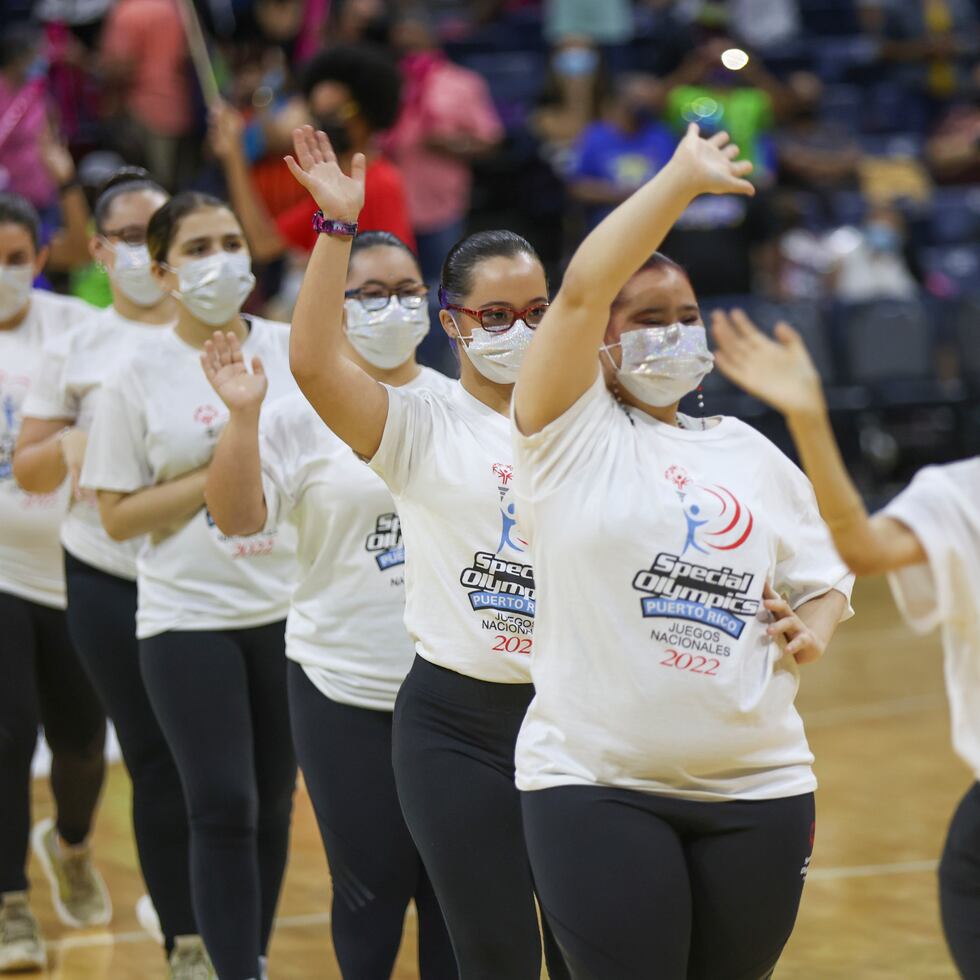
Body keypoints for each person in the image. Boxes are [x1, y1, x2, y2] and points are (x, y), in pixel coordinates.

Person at [510, 124, 854, 980]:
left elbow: (829, 575)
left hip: (760, 786)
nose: (671, 333)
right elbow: (586, 286)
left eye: (685, 318)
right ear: (598, 341)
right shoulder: (562, 431)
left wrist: (815, 624)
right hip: (596, 783)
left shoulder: (744, 448)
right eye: (647, 319)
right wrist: (679, 183)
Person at [284, 125, 568, 980]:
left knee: (580, 940)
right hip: (454, 718)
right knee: (486, 947)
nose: (518, 330)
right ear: (452, 322)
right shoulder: (420, 421)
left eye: (536, 313)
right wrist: (337, 227)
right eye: (494, 315)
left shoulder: (587, 428)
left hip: (574, 716)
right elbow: (309, 363)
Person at [201, 230, 459, 980]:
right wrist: (243, 419)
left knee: (455, 890)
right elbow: (238, 519)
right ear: (333, 310)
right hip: (340, 683)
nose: (392, 306)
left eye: (408, 290)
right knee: (372, 887)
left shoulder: (464, 409)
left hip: (455, 690)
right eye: (369, 294)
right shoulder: (292, 415)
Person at [710, 307, 979, 980]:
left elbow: (857, 550)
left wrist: (809, 414)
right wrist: (806, 416)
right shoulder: (966, 492)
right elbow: (859, 548)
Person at [79, 191, 298, 980]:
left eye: (232, 241)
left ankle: (256, 957)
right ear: (165, 272)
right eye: (198, 248)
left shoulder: (293, 349)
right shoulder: (134, 376)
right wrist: (221, 471)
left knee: (275, 803)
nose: (222, 260)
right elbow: (115, 516)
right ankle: (216, 963)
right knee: (222, 804)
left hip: (287, 612)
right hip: (186, 619)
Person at [13, 169, 214, 978]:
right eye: (126, 237)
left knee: (208, 769)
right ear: (98, 250)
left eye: (155, 232)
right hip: (98, 572)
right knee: (152, 755)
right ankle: (184, 938)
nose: (142, 250)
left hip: (208, 579)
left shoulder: (219, 332)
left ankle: (204, 915)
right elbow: (29, 467)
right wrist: (73, 447)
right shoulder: (76, 344)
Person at [0, 191, 107, 974]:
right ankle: (10, 906)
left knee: (79, 746)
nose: (4, 274)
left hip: (79, 570)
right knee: (7, 740)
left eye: (14, 259)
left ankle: (70, 844)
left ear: (40, 259)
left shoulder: (77, 329)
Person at [211, 43, 414, 267]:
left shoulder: (382, 182)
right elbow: (263, 244)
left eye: (337, 112)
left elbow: (396, 271)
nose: (326, 123)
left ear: (369, 111)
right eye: (319, 114)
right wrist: (234, 155)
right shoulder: (331, 183)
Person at [384, 11, 504, 283]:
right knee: (395, 285)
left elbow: (491, 141)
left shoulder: (462, 83)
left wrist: (451, 144)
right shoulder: (389, 81)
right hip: (390, 203)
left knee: (442, 285)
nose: (406, 47)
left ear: (430, 37)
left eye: (412, 39)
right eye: (400, 42)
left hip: (441, 204)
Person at [98, 0, 196, 191]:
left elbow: (121, 66)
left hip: (143, 111)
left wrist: (95, 67)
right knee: (176, 185)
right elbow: (189, 53)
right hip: (179, 106)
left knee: (147, 187)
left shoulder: (127, 13)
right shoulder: (175, 7)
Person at [568, 74, 675, 229]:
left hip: (655, 215)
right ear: (621, 100)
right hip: (609, 214)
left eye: (650, 101)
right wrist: (623, 194)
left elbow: (674, 180)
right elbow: (578, 188)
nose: (646, 106)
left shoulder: (661, 135)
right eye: (640, 99)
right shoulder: (595, 136)